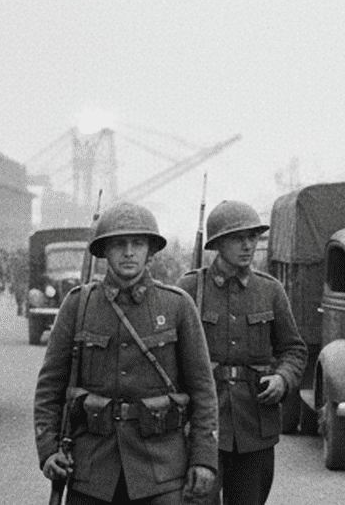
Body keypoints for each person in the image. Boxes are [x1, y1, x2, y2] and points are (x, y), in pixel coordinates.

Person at [34, 202, 219, 505]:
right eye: (120, 244)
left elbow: (203, 392)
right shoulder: (78, 305)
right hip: (92, 470)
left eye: (138, 243)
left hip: (160, 470)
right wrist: (49, 450)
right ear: (105, 250)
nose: (129, 252)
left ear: (150, 251)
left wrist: (203, 459)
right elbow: (50, 388)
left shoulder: (177, 306)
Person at [177, 202, 306, 505]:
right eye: (238, 238)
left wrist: (283, 379)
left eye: (253, 237)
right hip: (203, 425)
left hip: (255, 424)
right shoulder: (190, 288)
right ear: (218, 243)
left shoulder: (270, 291)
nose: (248, 245)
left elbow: (293, 349)